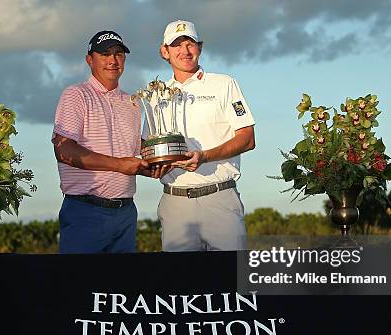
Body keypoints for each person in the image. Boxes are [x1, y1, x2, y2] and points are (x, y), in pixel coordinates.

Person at [146, 20, 256, 251]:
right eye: (176, 45)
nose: (185, 51)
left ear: (200, 47)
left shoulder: (224, 84)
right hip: (174, 203)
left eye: (190, 44)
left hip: (220, 197)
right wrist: (152, 165)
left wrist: (204, 156)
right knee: (181, 285)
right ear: (164, 51)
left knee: (232, 281)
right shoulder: (155, 94)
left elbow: (247, 138)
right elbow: (148, 145)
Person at [52, 30, 155, 254]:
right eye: (104, 54)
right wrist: (120, 165)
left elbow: (134, 152)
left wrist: (152, 166)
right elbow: (64, 150)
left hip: (126, 212)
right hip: (85, 210)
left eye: (118, 54)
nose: (112, 60)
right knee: (78, 286)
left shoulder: (134, 103)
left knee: (121, 287)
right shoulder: (76, 95)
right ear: (90, 59)